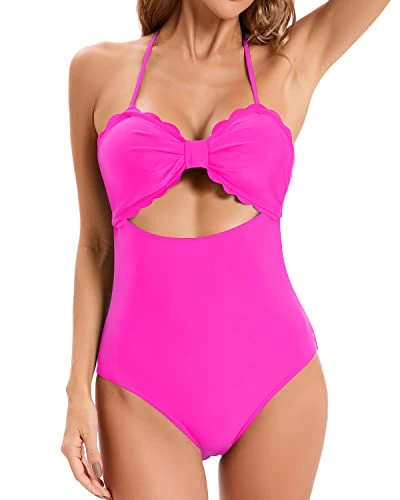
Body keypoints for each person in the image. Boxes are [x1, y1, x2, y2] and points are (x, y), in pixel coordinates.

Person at [61, 1, 391, 498]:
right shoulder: (97, 70)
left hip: (277, 381)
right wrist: (76, 392)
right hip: (139, 391)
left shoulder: (289, 63)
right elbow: (95, 245)